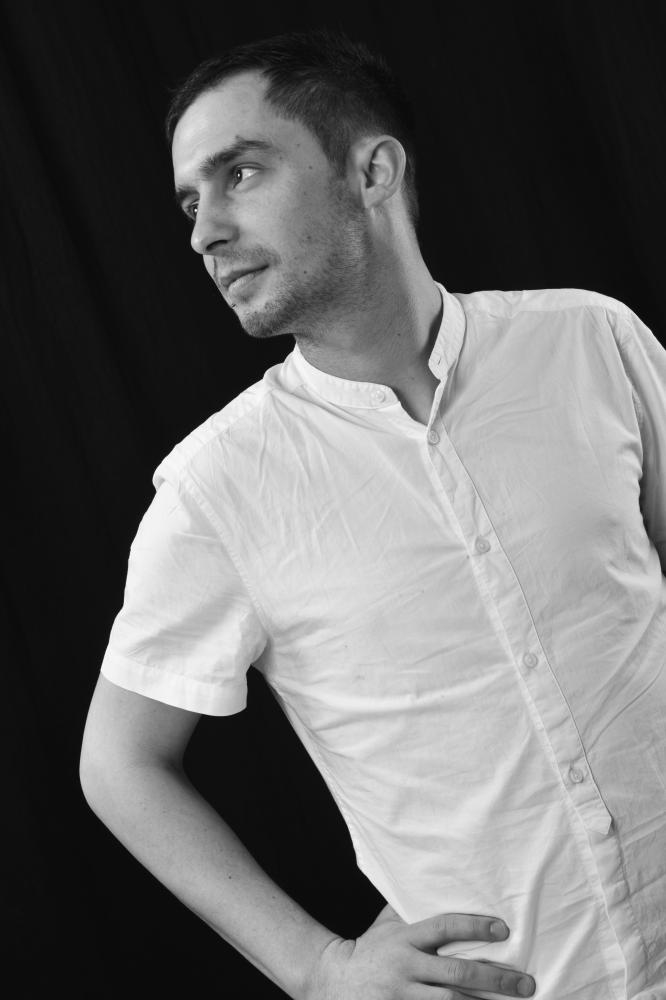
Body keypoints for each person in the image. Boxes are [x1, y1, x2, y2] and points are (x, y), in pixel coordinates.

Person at [79, 27, 666, 1000]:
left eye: (239, 174)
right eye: (190, 201)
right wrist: (317, 967)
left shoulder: (590, 341)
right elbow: (119, 762)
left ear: (372, 171)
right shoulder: (217, 489)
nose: (203, 232)